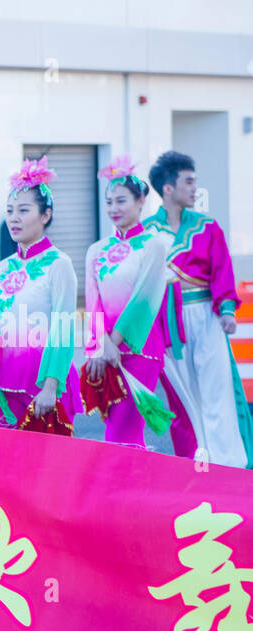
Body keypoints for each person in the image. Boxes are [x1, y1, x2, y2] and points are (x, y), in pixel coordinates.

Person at [143, 150, 253, 468]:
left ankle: (228, 464)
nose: (194, 188)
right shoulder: (147, 232)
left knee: (217, 392)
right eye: (188, 181)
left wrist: (228, 311)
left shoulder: (208, 227)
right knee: (181, 398)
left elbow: (222, 273)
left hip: (205, 316)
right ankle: (192, 464)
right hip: (166, 324)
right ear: (167, 189)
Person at [0, 157, 82, 433]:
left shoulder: (59, 264)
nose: (14, 218)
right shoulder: (3, 268)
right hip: (3, 382)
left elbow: (64, 329)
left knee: (43, 468)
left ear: (45, 215)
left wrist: (51, 386)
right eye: (9, 210)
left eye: (23, 210)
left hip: (42, 386)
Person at [81, 156, 172, 449]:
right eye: (109, 202)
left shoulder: (154, 244)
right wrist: (98, 347)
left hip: (139, 348)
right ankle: (130, 486)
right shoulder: (97, 250)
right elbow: (92, 303)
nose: (113, 209)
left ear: (141, 200)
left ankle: (120, 487)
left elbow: (143, 301)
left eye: (121, 201)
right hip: (104, 351)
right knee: (115, 425)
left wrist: (113, 343)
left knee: (126, 425)